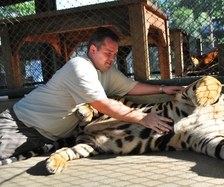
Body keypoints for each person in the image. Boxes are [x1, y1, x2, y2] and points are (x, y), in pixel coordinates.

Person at [0, 27, 183, 160]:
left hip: (46, 136)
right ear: (93, 50)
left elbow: (131, 87)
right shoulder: (79, 67)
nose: (112, 58)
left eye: (115, 54)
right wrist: (143, 117)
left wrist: (161, 89)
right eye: (108, 53)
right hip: (21, 124)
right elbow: (102, 104)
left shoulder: (107, 72)